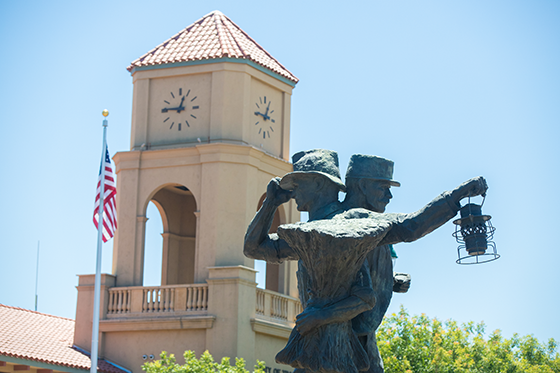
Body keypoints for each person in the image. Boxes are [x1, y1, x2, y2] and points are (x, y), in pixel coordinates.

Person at [244, 149, 488, 373]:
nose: (293, 191)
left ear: (319, 183)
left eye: (298, 183)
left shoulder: (352, 221)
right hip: (313, 344)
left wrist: (456, 196)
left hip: (349, 346)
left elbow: (411, 226)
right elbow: (254, 247)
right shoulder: (303, 232)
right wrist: (270, 203)